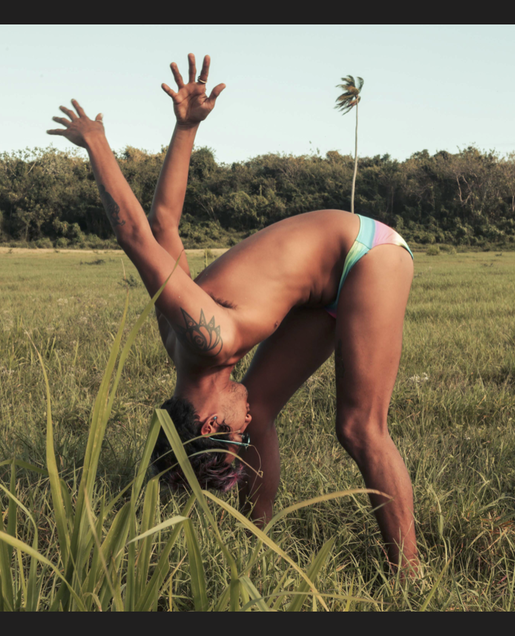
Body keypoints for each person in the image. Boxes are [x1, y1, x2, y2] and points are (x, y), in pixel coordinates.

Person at [47, 54, 418, 571]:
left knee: (359, 427)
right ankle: (257, 541)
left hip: (368, 255)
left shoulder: (208, 339)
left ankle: (410, 576)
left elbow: (138, 233)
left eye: (235, 438)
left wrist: (97, 143)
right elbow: (167, 224)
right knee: (264, 405)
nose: (245, 431)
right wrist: (185, 128)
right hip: (322, 290)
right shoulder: (180, 341)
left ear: (208, 422)